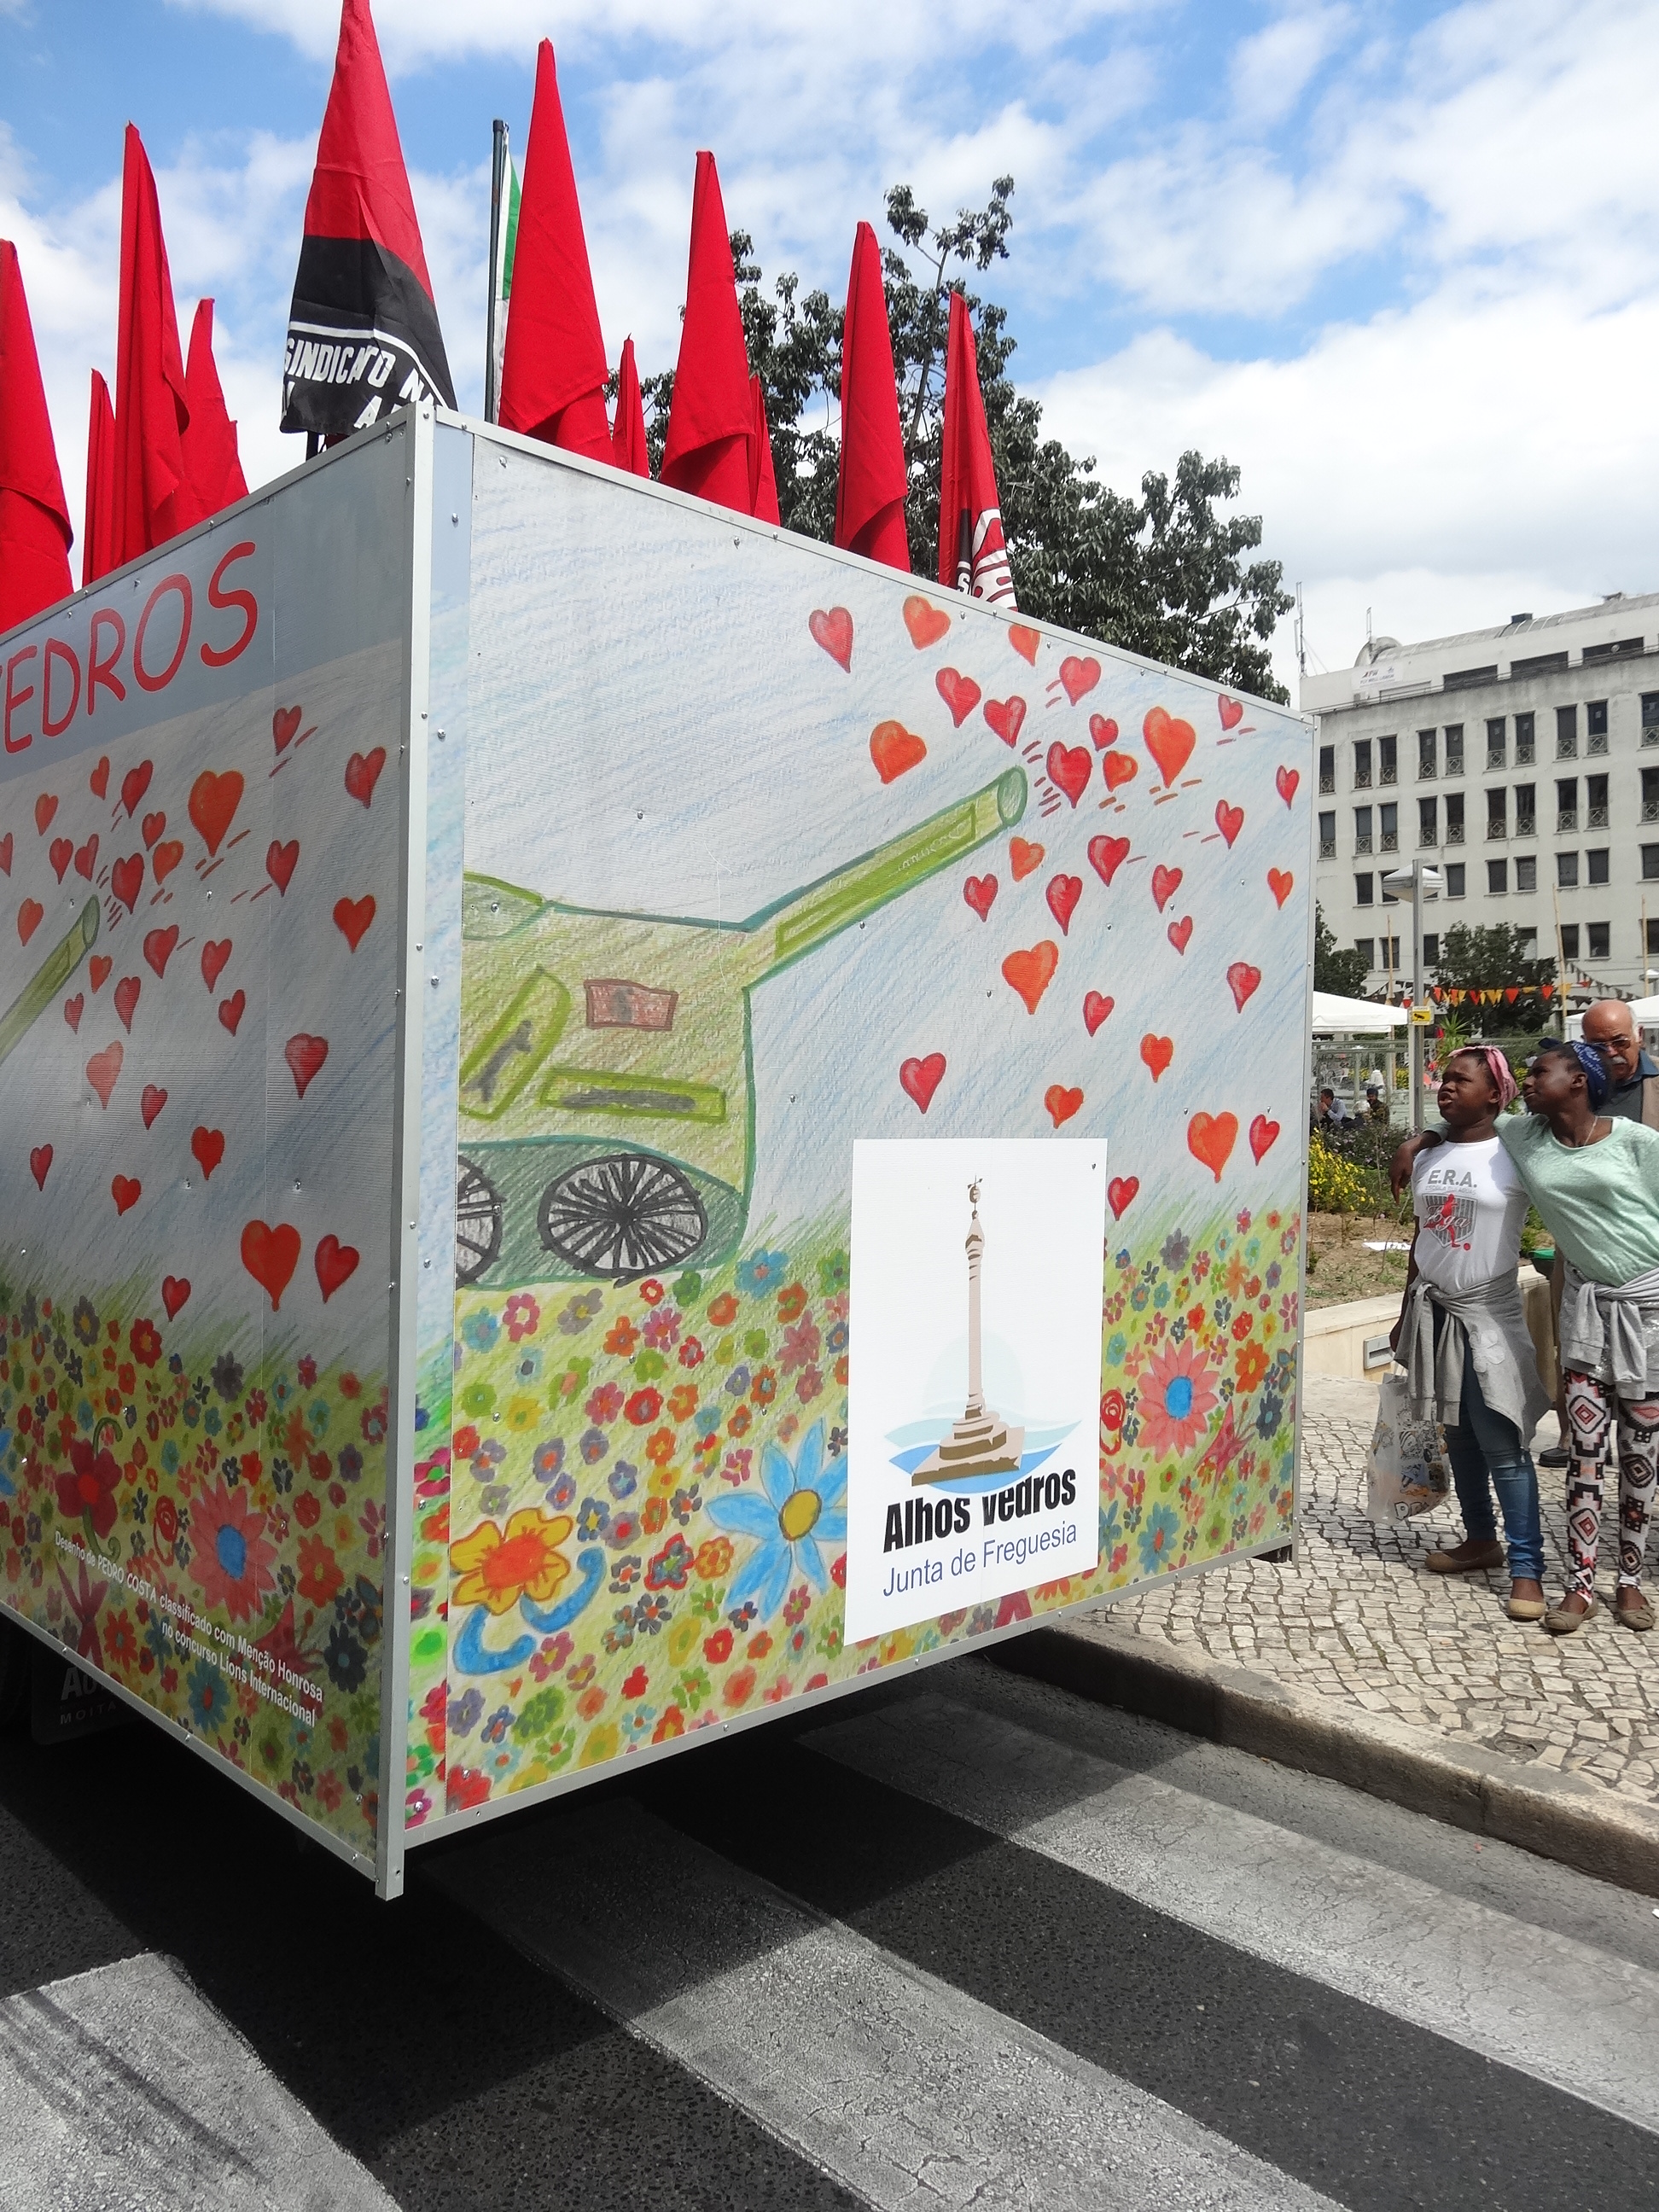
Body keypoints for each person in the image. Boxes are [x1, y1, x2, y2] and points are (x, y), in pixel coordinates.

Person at [1388, 1048, 1550, 1620]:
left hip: (1487, 1313)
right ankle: (1480, 1539)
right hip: (1433, 1310)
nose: (1447, 1086)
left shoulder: (1517, 1152)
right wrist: (1405, 1311)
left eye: (1462, 1080)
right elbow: (1422, 1236)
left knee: (1502, 1439)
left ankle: (1527, 1569)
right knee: (1456, 1435)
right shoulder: (1431, 1154)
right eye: (1445, 1078)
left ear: (1495, 1093)